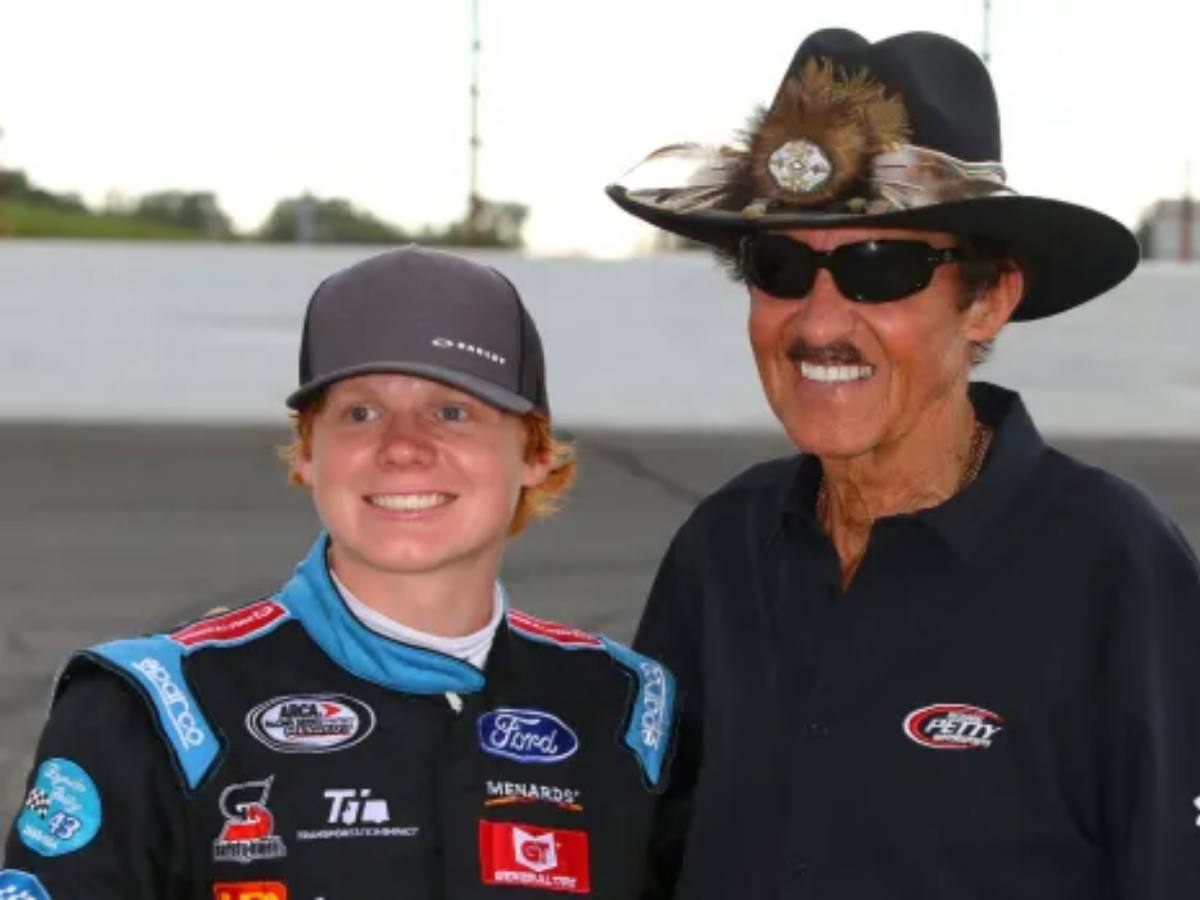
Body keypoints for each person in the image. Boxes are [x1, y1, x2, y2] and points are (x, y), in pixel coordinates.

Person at [607, 27, 1200, 900]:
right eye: (776, 265)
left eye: (879, 267)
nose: (817, 324)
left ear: (989, 299)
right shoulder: (722, 549)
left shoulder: (1115, 567)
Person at [1, 246, 677, 899]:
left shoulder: (628, 710)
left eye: (452, 411)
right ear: (307, 453)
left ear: (533, 452)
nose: (404, 446)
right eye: (361, 411)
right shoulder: (155, 708)